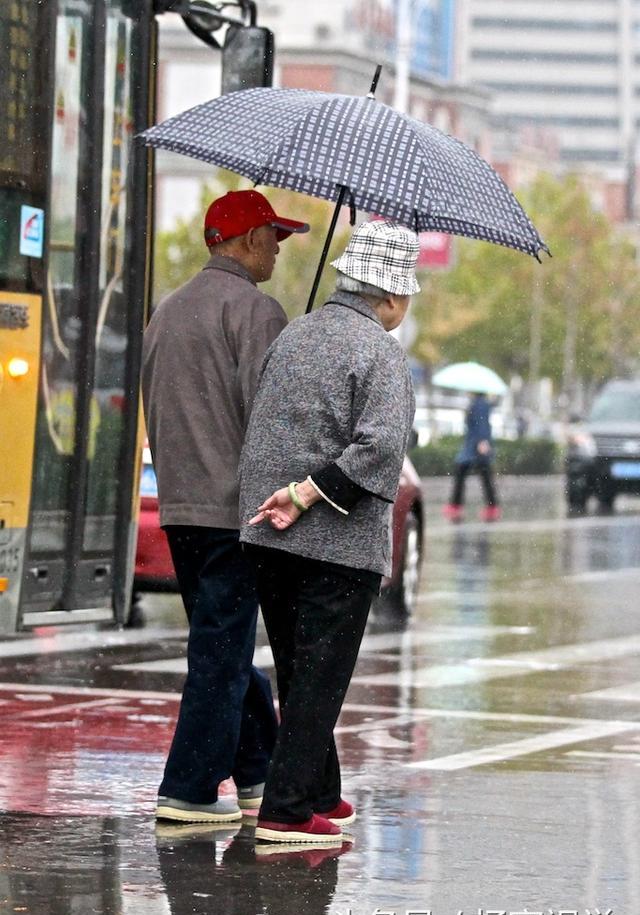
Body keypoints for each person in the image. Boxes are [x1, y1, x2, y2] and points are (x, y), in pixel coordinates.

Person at [238, 219, 418, 844]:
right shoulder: (381, 352)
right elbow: (381, 448)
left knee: (299, 668)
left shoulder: (293, 334)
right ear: (390, 295)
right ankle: (286, 812)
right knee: (319, 679)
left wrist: (284, 494)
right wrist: (308, 493)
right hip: (337, 547)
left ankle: (320, 792)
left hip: (266, 536)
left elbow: (262, 425)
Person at [141, 189, 309, 823]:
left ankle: (258, 771)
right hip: (234, 510)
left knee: (222, 642)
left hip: (181, 506)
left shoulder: (168, 309)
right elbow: (272, 421)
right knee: (220, 651)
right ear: (247, 240)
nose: (278, 251)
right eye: (273, 238)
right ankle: (188, 788)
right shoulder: (258, 312)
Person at [443, 391, 501, 522]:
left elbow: (482, 424)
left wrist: (482, 441)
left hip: (475, 446)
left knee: (464, 473)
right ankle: (491, 507)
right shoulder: (479, 403)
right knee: (484, 476)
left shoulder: (479, 404)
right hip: (473, 445)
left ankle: (456, 505)